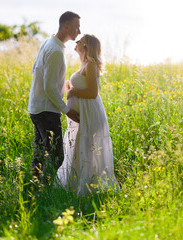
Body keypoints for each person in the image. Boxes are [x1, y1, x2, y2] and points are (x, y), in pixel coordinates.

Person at [56, 34, 119, 196]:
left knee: (85, 147)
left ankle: (89, 186)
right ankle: (77, 183)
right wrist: (71, 88)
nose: (76, 43)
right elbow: (87, 86)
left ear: (87, 47)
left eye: (80, 41)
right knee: (78, 146)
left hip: (90, 113)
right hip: (83, 113)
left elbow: (92, 93)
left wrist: (74, 92)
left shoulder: (90, 65)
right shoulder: (84, 65)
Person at [28, 11, 81, 183]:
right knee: (57, 157)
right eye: (77, 27)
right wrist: (67, 111)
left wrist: (60, 83)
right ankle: (47, 191)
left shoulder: (49, 43)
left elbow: (37, 69)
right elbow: (49, 88)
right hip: (46, 111)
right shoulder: (56, 51)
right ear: (66, 26)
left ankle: (35, 188)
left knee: (40, 153)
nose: (79, 31)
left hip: (37, 108)